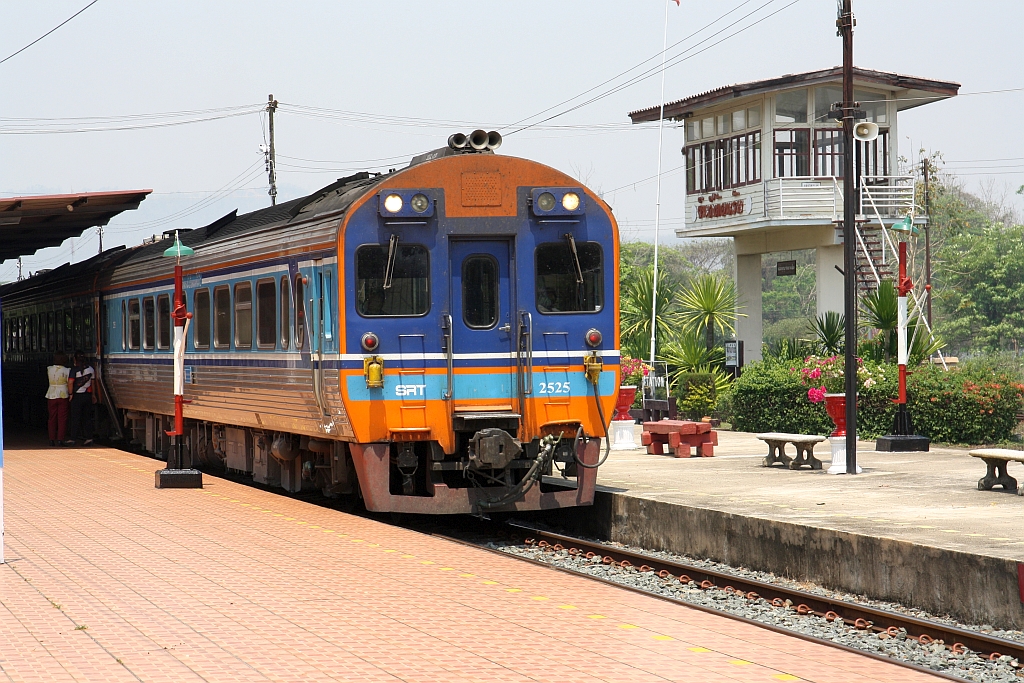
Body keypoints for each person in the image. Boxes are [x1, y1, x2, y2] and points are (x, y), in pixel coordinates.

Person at [65, 352, 96, 446]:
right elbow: (93, 383)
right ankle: (89, 438)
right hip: (87, 396)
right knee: (87, 418)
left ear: (75, 360)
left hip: (77, 397)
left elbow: (70, 383)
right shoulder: (91, 369)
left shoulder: (74, 370)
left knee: (75, 418)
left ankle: (73, 439)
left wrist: (70, 394)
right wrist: (94, 395)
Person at [45, 353, 70, 446]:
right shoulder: (67, 370)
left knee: (52, 418)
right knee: (62, 418)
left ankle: (51, 439)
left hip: (51, 394)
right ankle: (60, 439)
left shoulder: (49, 369)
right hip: (63, 394)